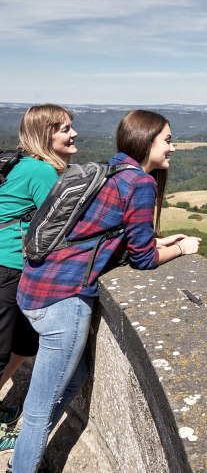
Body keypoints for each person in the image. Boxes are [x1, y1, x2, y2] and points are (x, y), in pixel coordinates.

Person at [11, 110, 201, 472]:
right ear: (147, 142)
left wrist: (159, 241)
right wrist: (181, 249)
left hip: (34, 289)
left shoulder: (111, 169)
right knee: (37, 412)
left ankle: (26, 454)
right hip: (62, 301)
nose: (172, 148)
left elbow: (114, 236)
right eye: (168, 140)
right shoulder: (140, 183)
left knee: (77, 375)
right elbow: (143, 260)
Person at [0, 104, 77, 438]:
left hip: (12, 267)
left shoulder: (22, 162)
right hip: (9, 267)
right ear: (47, 135)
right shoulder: (42, 171)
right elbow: (63, 226)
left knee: (24, 343)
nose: (73, 134)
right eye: (64, 129)